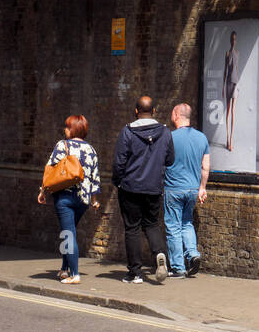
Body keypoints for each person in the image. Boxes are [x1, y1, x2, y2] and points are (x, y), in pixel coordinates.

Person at [112, 96, 176, 284]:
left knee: (132, 228)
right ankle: (160, 255)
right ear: (154, 111)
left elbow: (119, 163)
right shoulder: (165, 132)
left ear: (136, 111)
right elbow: (170, 160)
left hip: (130, 187)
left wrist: (118, 181)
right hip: (153, 187)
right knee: (152, 224)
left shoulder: (127, 132)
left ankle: (135, 273)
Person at [36, 114, 101, 285]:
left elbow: (50, 170)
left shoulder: (62, 145)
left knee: (68, 235)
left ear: (73, 129)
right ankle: (65, 269)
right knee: (69, 231)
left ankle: (75, 274)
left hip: (64, 197)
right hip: (83, 200)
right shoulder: (91, 150)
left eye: (67, 127)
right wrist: (94, 200)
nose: (64, 130)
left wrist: (43, 191)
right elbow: (95, 177)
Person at [164, 103, 209, 278]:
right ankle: (193, 254)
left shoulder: (169, 138)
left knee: (173, 227)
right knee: (186, 223)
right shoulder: (202, 138)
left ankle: (178, 268)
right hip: (192, 189)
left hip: (173, 188)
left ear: (176, 115)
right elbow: (205, 166)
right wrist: (202, 188)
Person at [222, 31, 239, 153]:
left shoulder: (238, 53)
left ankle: (231, 140)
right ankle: (227, 139)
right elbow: (225, 71)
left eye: (235, 39)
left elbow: (237, 70)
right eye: (232, 39)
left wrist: (238, 84)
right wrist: (223, 87)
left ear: (236, 40)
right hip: (228, 83)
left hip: (235, 83)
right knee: (228, 112)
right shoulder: (227, 53)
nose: (233, 41)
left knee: (233, 111)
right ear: (230, 40)